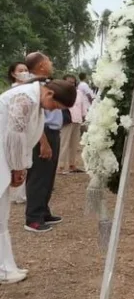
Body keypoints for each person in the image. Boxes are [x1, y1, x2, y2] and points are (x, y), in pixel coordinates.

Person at [0, 79, 77, 284]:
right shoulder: (25, 99)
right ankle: (4, 268)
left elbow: (25, 136)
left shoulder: (35, 100)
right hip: (3, 155)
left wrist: (22, 165)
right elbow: (15, 136)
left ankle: (6, 266)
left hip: (5, 157)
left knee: (2, 216)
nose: (55, 110)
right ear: (50, 94)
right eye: (57, 106)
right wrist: (18, 167)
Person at [23, 52, 62, 233]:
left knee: (48, 175)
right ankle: (33, 218)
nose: (51, 63)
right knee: (38, 175)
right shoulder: (33, 87)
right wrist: (43, 142)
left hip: (52, 132)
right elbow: (33, 118)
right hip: (42, 133)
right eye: (48, 60)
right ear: (40, 66)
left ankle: (43, 211)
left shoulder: (45, 84)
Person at [7, 63, 31, 205]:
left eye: (26, 70)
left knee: (24, 162)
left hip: (25, 132)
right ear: (13, 74)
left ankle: (20, 194)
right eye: (20, 70)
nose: (24, 73)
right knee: (17, 162)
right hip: (16, 131)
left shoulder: (27, 90)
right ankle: (16, 195)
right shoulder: (15, 92)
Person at [58, 74, 87, 174]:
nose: (71, 84)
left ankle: (72, 165)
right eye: (69, 82)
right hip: (67, 120)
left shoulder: (79, 93)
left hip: (77, 120)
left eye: (73, 82)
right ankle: (60, 166)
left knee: (74, 144)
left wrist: (84, 116)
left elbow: (82, 106)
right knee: (64, 143)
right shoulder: (61, 92)